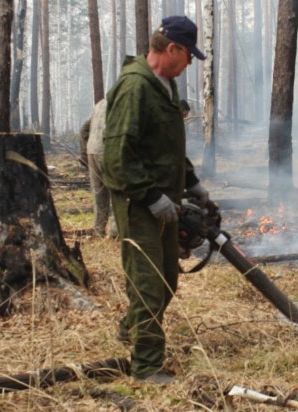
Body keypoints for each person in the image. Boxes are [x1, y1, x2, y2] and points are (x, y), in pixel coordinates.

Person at [101, 15, 210, 384]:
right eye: (188, 55)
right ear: (172, 49)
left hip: (165, 200)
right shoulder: (135, 87)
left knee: (167, 280)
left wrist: (190, 181)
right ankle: (147, 366)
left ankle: (129, 327)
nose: (190, 63)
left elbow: (166, 145)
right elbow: (117, 153)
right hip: (139, 203)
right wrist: (149, 195)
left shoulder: (165, 85)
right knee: (148, 282)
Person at [85, 99, 118, 238]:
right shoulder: (121, 102)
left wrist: (84, 153)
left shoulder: (99, 104)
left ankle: (99, 231)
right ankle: (116, 233)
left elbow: (83, 130)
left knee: (99, 194)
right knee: (118, 191)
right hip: (107, 152)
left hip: (92, 151)